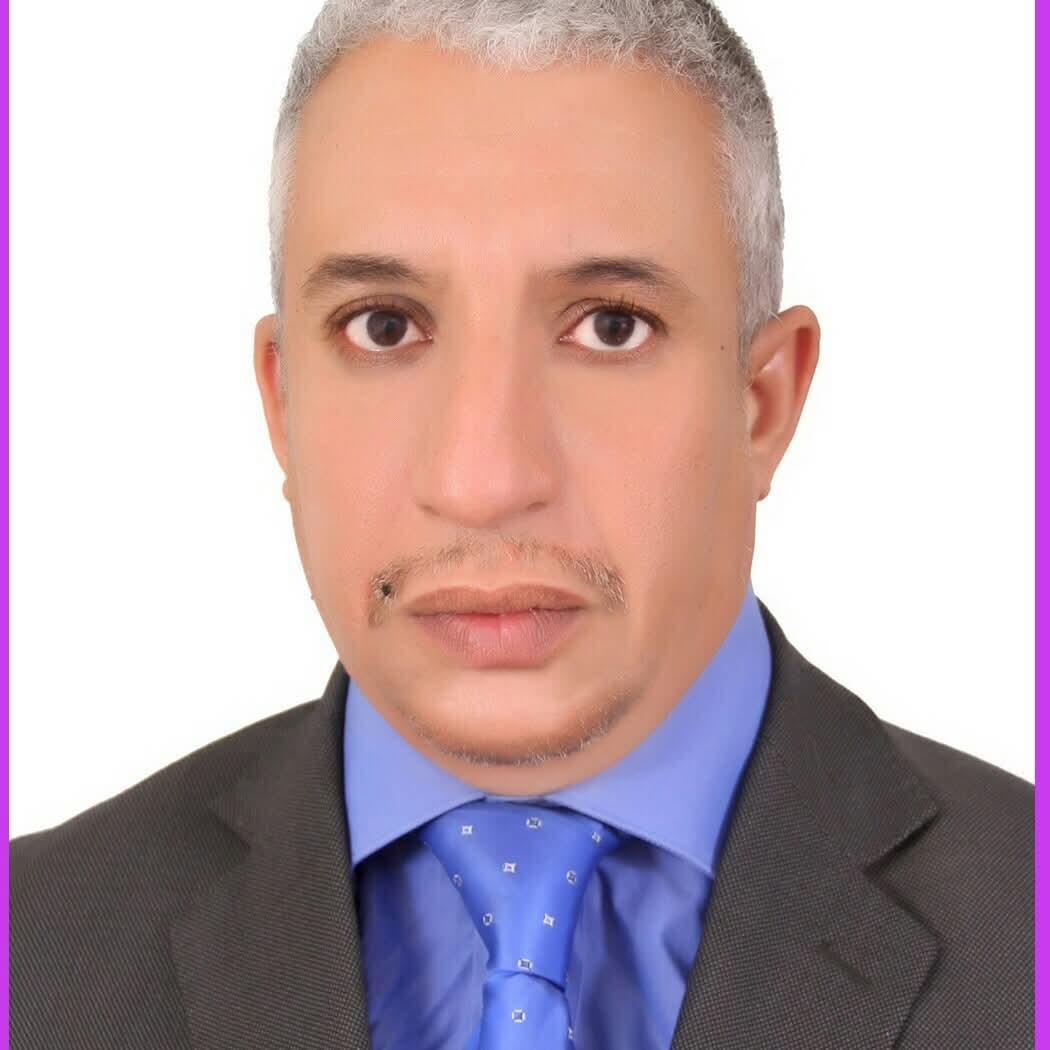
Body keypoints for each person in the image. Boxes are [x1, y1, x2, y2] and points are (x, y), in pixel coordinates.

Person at [10, 1, 1032, 1047]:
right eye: (384, 327)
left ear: (763, 403)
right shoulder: (29, 950)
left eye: (611, 327)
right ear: (283, 404)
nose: (483, 481)